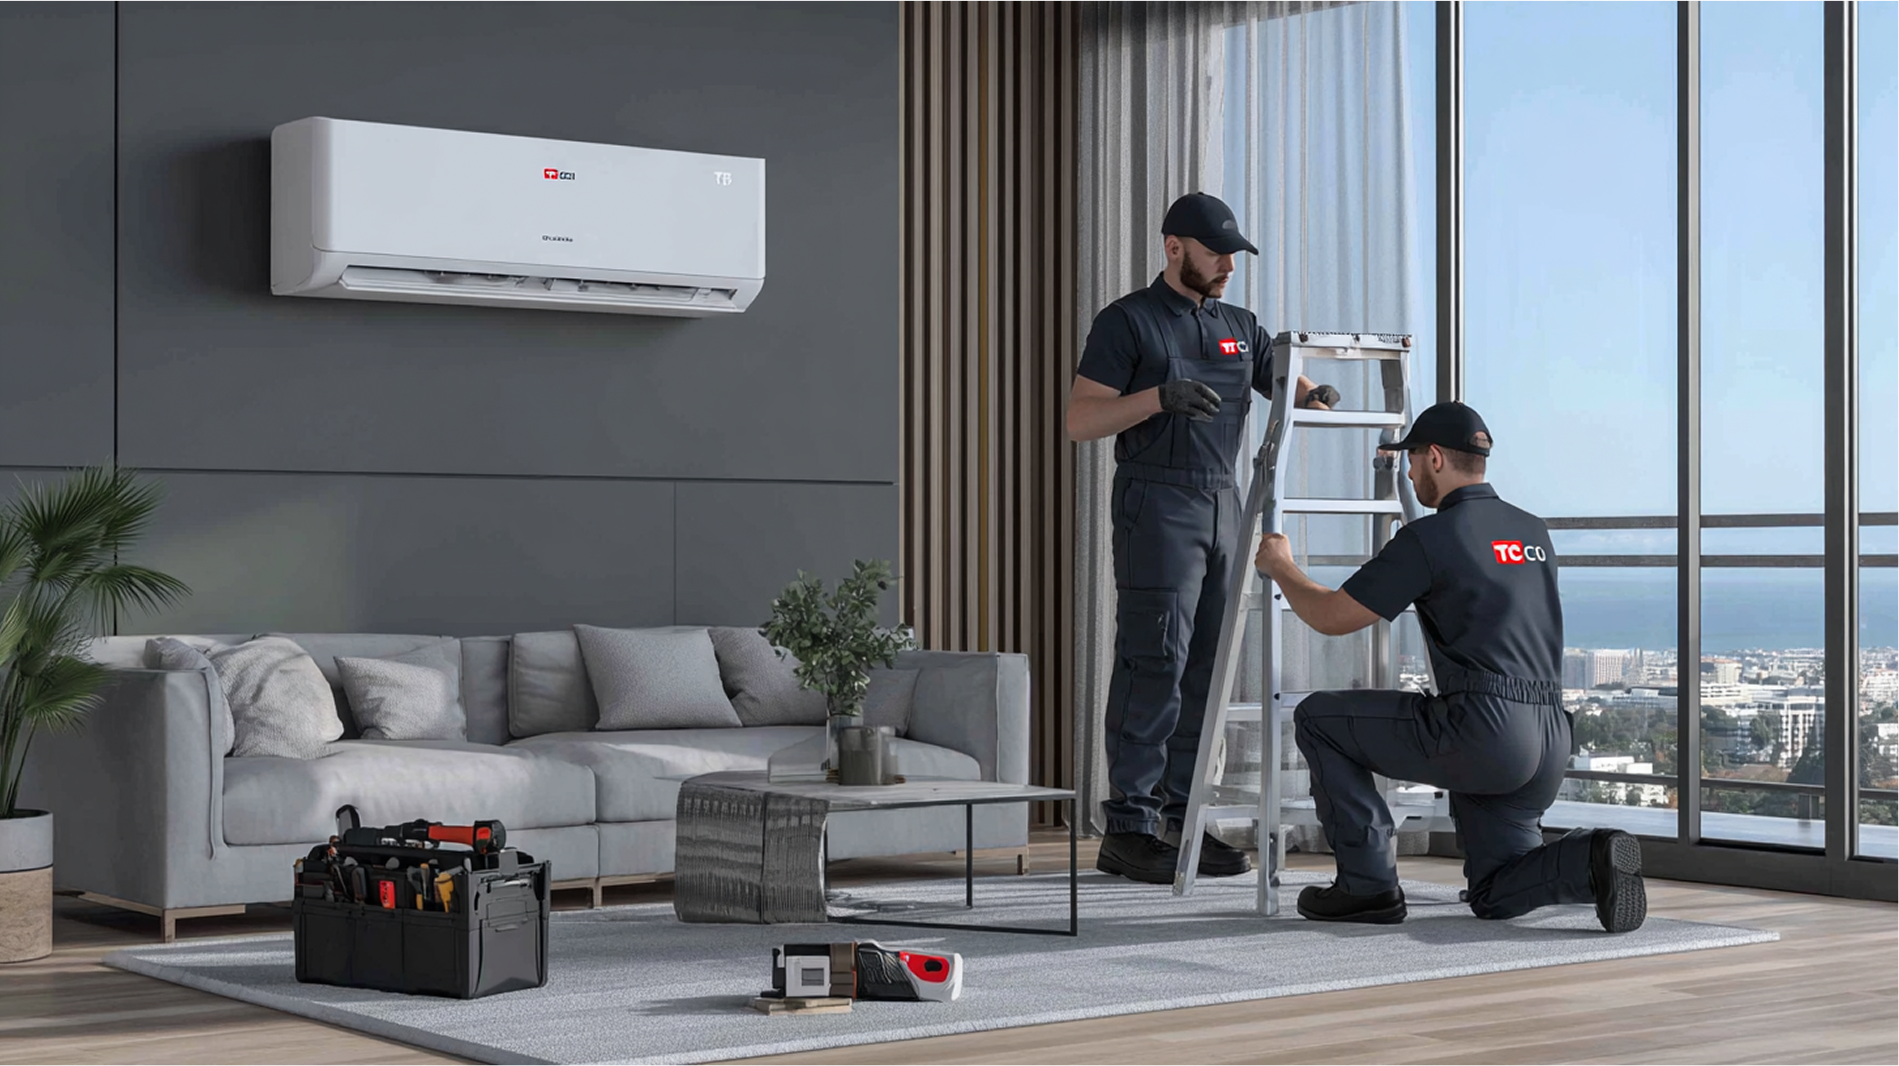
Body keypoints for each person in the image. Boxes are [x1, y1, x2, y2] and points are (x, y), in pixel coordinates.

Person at [1251, 400, 1647, 933]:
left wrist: (1282, 567)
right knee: (1495, 891)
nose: (1409, 474)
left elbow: (1331, 617)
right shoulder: (1534, 533)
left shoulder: (1432, 538)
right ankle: (1591, 858)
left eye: (1411, 460)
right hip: (1549, 738)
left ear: (1434, 457)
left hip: (1484, 733)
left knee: (1319, 718)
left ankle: (1366, 888)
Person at [1067, 191, 1338, 885]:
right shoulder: (1127, 321)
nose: (1226, 266)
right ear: (1173, 248)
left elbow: (1283, 376)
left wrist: (1312, 394)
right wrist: (1159, 397)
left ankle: (1181, 820)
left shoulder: (1239, 325)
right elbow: (1081, 420)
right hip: (1157, 504)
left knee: (1207, 672)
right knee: (1153, 661)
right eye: (1216, 253)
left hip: (1226, 504)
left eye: (1233, 256)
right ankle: (1129, 825)